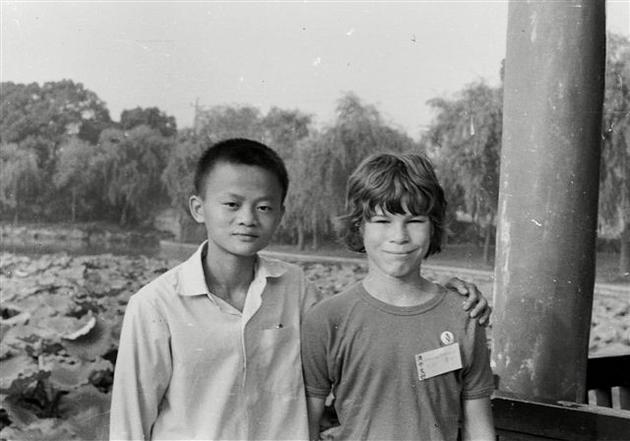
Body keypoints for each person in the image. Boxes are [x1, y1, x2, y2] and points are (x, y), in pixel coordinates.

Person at [109, 139, 492, 440]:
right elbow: (129, 425)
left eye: (263, 207)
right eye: (231, 204)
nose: (247, 219)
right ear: (198, 208)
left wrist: (444, 296)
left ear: (280, 213)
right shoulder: (155, 306)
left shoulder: (296, 289)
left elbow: (376, 318)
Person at [301, 152, 496, 441]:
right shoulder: (326, 319)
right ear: (359, 226)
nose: (399, 236)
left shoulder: (464, 314)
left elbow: (479, 428)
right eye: (382, 221)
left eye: (414, 220)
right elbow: (305, 425)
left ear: (433, 226)